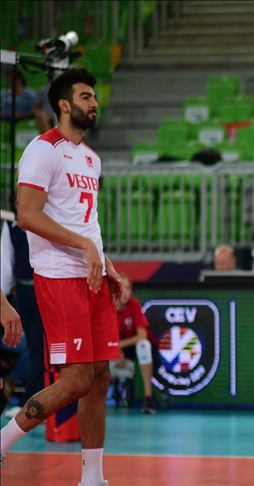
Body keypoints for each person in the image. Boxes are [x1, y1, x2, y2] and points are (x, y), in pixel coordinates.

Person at [0, 68, 121, 486]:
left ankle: (93, 478)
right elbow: (27, 216)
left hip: (91, 277)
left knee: (100, 377)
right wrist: (84, 246)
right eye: (86, 97)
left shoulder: (91, 158)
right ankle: (2, 441)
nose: (94, 103)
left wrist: (106, 261)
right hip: (58, 275)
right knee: (76, 380)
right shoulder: (42, 149)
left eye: (95, 97)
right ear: (65, 105)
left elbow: (87, 223)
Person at [1, 211, 46, 407]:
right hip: (23, 292)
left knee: (38, 346)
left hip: (46, 289)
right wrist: (4, 302)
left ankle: (31, 402)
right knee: (32, 347)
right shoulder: (11, 225)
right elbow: (6, 264)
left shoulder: (49, 219)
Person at [113, 274, 158, 414]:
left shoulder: (134, 304)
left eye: (128, 288)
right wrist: (117, 350)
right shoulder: (107, 306)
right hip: (117, 347)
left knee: (143, 345)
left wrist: (119, 346)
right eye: (121, 288)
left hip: (137, 346)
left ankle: (148, 397)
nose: (125, 292)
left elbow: (142, 335)